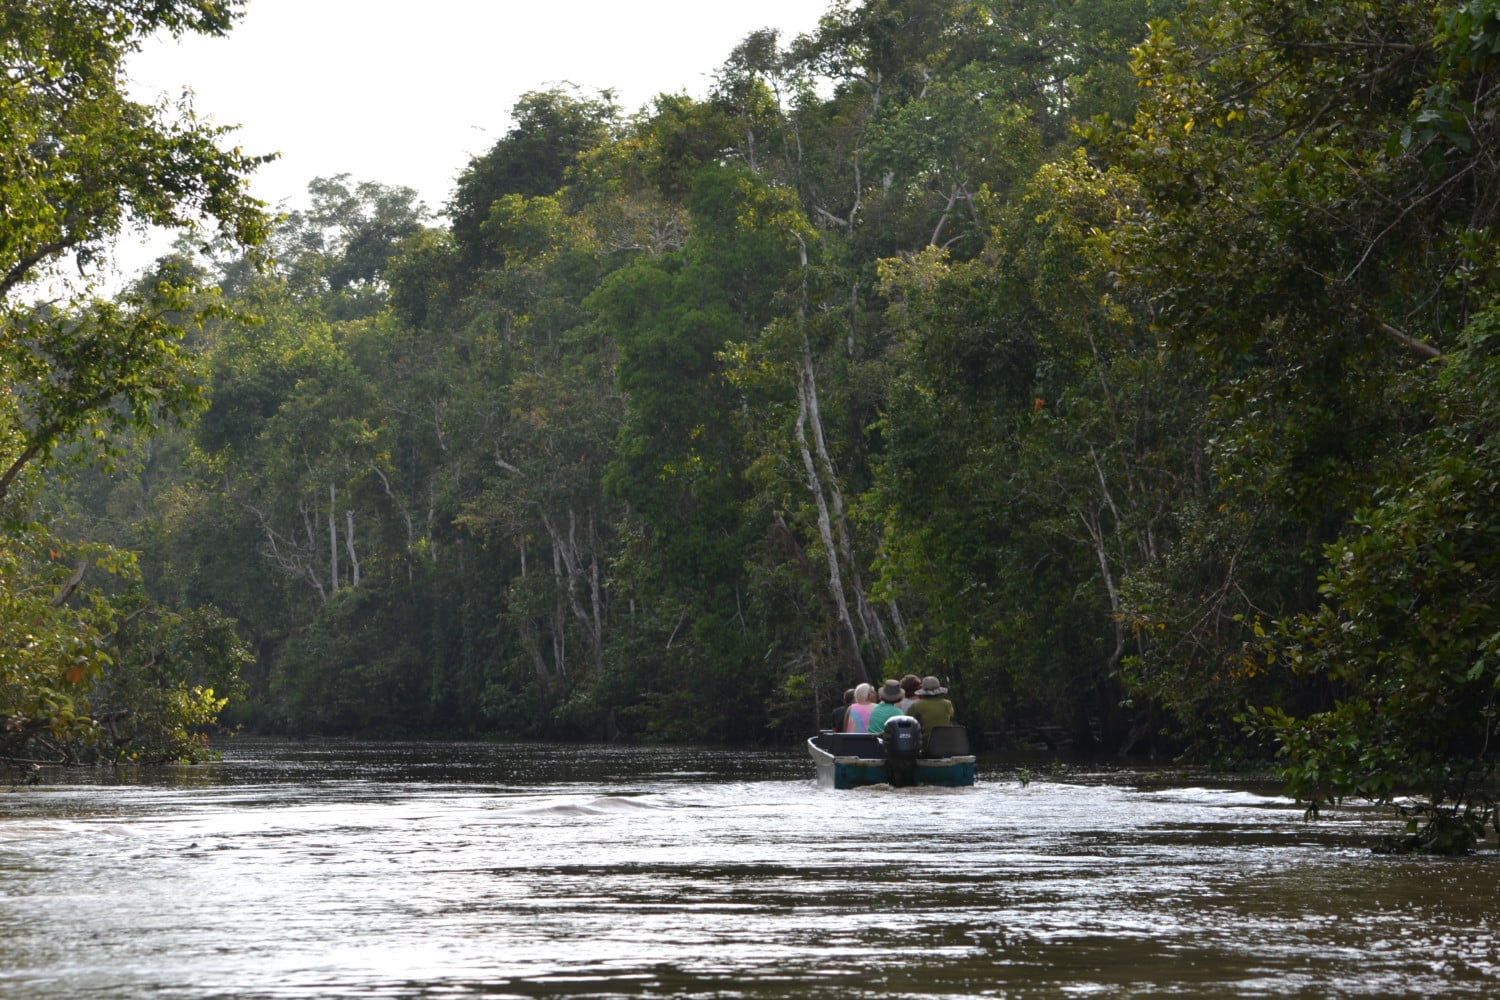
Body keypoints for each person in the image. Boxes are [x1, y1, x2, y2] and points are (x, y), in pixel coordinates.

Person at [905, 675, 955, 746]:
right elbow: (951, 715)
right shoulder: (948, 704)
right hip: (946, 744)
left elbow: (906, 720)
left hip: (926, 745)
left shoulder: (916, 705)